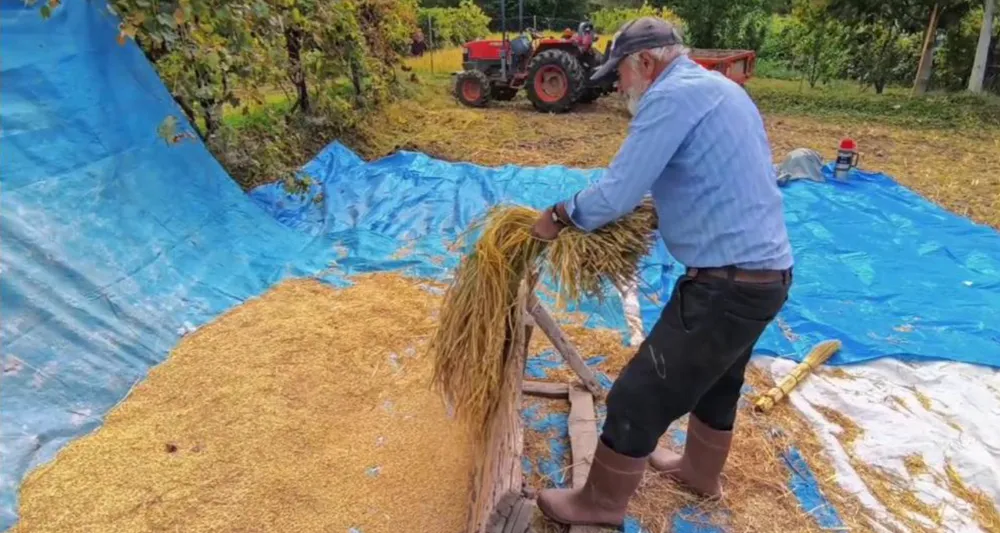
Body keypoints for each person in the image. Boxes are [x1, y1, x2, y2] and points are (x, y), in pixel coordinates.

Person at [531, 16, 794, 529]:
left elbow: (616, 192)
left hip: (727, 284)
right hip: (767, 275)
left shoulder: (669, 98)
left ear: (646, 63)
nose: (620, 87)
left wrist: (559, 215)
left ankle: (600, 504)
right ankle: (699, 471)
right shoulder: (720, 89)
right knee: (719, 381)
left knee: (637, 393)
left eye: (622, 76)